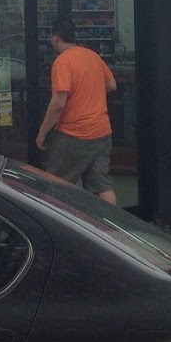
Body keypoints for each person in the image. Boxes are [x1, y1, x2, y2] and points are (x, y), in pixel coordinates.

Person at [35, 17, 118, 205]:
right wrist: (89, 91)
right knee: (102, 185)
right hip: (102, 131)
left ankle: (60, 229)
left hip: (74, 133)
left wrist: (42, 133)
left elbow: (58, 103)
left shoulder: (62, 62)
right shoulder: (92, 56)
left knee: (57, 185)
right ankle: (111, 229)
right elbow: (112, 84)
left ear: (56, 38)